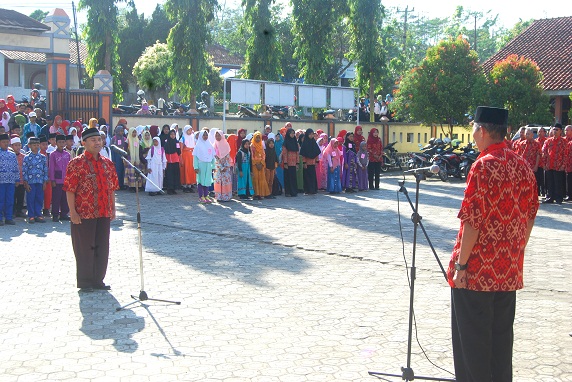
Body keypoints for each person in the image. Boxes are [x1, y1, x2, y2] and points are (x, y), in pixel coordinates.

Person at [447, 106, 538, 382]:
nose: (473, 133)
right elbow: (531, 212)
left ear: (482, 131)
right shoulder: (522, 164)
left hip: (476, 274)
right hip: (507, 272)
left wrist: (461, 265)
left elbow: (472, 220)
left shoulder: (483, 165)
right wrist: (516, 249)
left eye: (474, 127)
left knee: (472, 349)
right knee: (500, 347)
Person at [64, 126, 119, 292]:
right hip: (84, 213)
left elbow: (111, 189)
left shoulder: (107, 164)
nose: (97, 142)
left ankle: (98, 280)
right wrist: (72, 212)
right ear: (84, 142)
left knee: (102, 247)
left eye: (99, 139)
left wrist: (113, 208)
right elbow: (69, 189)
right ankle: (85, 282)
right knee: (85, 248)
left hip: (103, 211)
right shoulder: (76, 163)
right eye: (93, 140)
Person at [22, 137, 48, 223]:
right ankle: (31, 215)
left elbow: (45, 169)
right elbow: (24, 170)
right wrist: (25, 182)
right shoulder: (27, 157)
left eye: (37, 145)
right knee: (31, 198)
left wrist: (45, 181)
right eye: (34, 145)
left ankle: (38, 214)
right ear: (29, 145)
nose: (36, 146)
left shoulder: (43, 157)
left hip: (40, 181)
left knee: (39, 198)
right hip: (30, 182)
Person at [541, 123, 567, 204]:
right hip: (549, 165)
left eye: (557, 130)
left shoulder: (564, 141)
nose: (555, 131)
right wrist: (544, 164)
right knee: (549, 182)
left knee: (558, 182)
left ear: (560, 131)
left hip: (558, 165)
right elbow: (544, 152)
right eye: (554, 129)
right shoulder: (548, 141)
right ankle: (550, 197)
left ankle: (559, 198)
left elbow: (565, 154)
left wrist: (563, 164)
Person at [49, 135, 71, 222]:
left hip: (66, 179)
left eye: (63, 142)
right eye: (59, 142)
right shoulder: (53, 155)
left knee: (65, 198)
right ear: (56, 143)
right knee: (56, 197)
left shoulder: (67, 154)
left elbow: (70, 167)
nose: (61, 144)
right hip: (57, 180)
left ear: (65, 143)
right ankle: (55, 214)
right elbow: (51, 168)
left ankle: (64, 214)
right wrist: (52, 179)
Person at [0, 133, 19, 225]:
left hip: (10, 181)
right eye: (3, 142)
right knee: (1, 200)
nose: (5, 144)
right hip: (1, 181)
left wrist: (17, 179)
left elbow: (16, 167)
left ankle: (8, 217)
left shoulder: (12, 154)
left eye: (7, 142)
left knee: (10, 200)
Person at [193, 128, 215, 203]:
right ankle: (201, 196)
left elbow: (212, 156)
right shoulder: (198, 145)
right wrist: (195, 167)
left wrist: (213, 166)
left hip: (208, 165)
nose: (205, 136)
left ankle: (206, 195)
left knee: (207, 181)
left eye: (206, 135)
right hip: (201, 165)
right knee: (201, 181)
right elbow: (195, 157)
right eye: (204, 135)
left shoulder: (210, 145)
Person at [123, 127, 147, 192]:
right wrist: (125, 159)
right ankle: (131, 187)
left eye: (135, 132)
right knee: (131, 173)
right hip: (130, 158)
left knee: (137, 173)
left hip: (137, 159)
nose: (134, 133)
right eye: (133, 132)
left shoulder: (137, 140)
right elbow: (124, 150)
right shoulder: (127, 140)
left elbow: (139, 150)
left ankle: (137, 186)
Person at [212, 129, 233, 202]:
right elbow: (215, 158)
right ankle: (218, 196)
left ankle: (226, 196)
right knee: (218, 181)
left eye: (219, 135)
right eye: (216, 135)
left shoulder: (226, 145)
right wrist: (220, 167)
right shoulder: (214, 145)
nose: (217, 137)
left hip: (226, 167)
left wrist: (225, 166)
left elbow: (228, 157)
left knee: (225, 181)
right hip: (218, 168)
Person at [299, 128, 320, 195]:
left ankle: (313, 190)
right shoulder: (305, 143)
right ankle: (307, 190)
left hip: (313, 163)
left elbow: (316, 153)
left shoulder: (314, 143)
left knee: (313, 176)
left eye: (312, 134)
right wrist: (304, 162)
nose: (311, 136)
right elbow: (303, 154)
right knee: (307, 177)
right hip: (307, 163)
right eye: (310, 134)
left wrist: (317, 161)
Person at [250, 131, 269, 200]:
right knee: (255, 179)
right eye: (256, 137)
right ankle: (256, 194)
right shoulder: (252, 145)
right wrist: (256, 163)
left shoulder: (261, 145)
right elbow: (251, 155)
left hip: (261, 165)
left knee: (261, 179)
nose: (258, 139)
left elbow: (264, 155)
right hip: (255, 165)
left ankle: (261, 193)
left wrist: (261, 163)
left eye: (259, 138)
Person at [282, 128, 299, 197]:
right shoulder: (285, 143)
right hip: (288, 163)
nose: (292, 135)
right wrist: (285, 163)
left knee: (293, 178)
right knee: (287, 177)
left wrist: (297, 163)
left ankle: (294, 192)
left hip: (294, 163)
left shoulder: (295, 142)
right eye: (291, 133)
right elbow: (284, 153)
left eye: (293, 133)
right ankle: (288, 192)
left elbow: (297, 153)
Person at [11, 137, 25, 218]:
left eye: (19, 145)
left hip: (22, 180)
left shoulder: (24, 156)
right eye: (15, 145)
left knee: (20, 196)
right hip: (12, 180)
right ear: (12, 146)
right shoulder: (10, 155)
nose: (18, 147)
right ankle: (12, 211)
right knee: (12, 196)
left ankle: (19, 211)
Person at [164, 128, 181, 195]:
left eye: (174, 134)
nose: (172, 136)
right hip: (169, 160)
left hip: (175, 160)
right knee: (169, 174)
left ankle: (174, 188)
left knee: (175, 174)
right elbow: (165, 151)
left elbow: (179, 151)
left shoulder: (176, 142)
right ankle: (169, 188)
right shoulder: (167, 142)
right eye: (171, 134)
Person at [180, 125, 197, 193]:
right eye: (188, 130)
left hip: (192, 156)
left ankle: (190, 185)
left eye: (190, 130)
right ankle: (185, 186)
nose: (189, 132)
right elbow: (180, 149)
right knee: (185, 170)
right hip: (185, 156)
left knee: (191, 170)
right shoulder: (183, 138)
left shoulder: (193, 137)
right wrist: (181, 157)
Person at [110, 124, 127, 190]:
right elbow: (111, 148)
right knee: (117, 171)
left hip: (123, 156)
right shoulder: (114, 138)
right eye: (120, 131)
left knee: (123, 170)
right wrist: (113, 159)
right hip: (116, 156)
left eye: (122, 131)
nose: (121, 132)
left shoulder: (124, 139)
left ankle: (122, 184)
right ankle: (117, 185)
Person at [264, 134, 278, 198]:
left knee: (271, 181)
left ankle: (270, 193)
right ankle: (266, 193)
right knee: (267, 181)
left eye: (272, 143)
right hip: (267, 168)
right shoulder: (266, 151)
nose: (271, 144)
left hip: (272, 168)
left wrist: (275, 168)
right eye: (270, 143)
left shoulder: (274, 151)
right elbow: (264, 160)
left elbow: (276, 160)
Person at [535, 127, 547, 197]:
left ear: (544, 133)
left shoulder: (546, 141)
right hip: (537, 163)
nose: (540, 133)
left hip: (543, 163)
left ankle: (544, 191)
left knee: (544, 179)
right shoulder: (535, 141)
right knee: (537, 178)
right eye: (539, 131)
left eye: (541, 131)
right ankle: (538, 192)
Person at [564, 125, 572, 201]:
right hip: (566, 164)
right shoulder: (563, 140)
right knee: (568, 180)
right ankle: (568, 194)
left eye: (567, 130)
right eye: (565, 130)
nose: (566, 132)